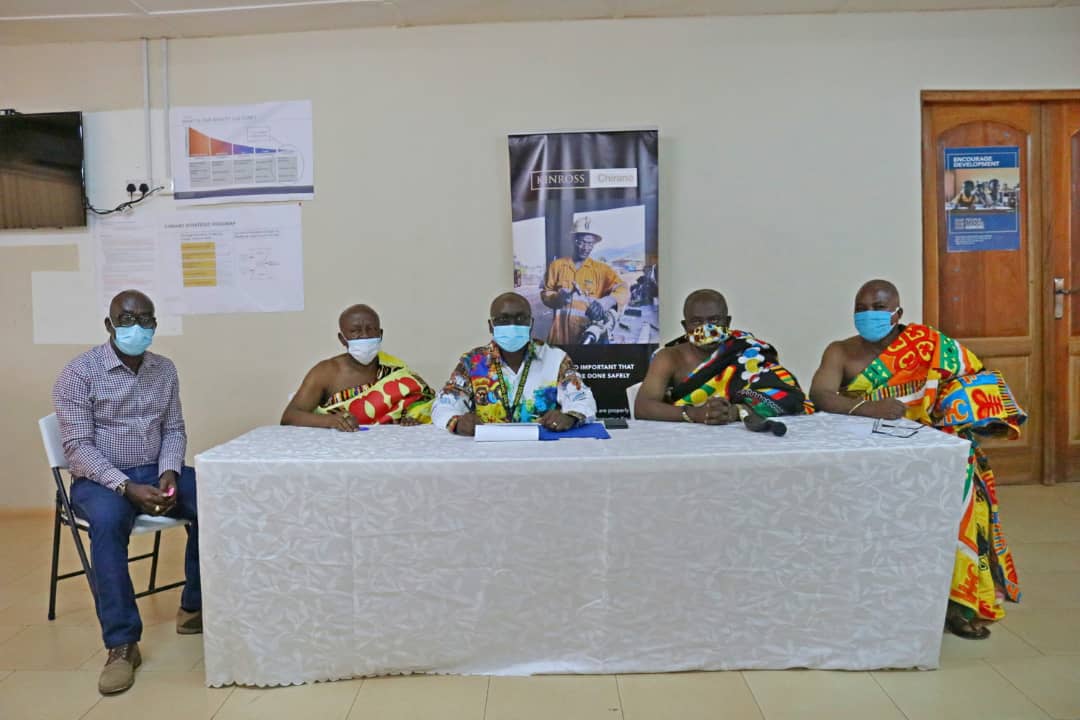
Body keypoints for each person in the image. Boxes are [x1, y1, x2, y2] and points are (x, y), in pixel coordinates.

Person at [809, 279, 1025, 639]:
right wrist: (869, 408)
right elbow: (820, 395)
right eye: (861, 309)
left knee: (962, 493)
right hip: (864, 455)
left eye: (878, 308)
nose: (869, 315)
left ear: (898, 313)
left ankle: (957, 605)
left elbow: (971, 380)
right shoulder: (841, 352)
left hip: (927, 452)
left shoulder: (930, 347)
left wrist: (954, 415)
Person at [51, 290, 200, 695]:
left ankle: (193, 606)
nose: (136, 328)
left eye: (145, 319)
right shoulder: (79, 373)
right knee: (109, 521)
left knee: (215, 498)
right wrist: (125, 487)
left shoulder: (164, 370)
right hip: (101, 479)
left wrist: (169, 471)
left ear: (154, 324)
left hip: (155, 470)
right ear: (110, 325)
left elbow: (174, 428)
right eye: (126, 319)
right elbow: (78, 448)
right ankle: (121, 644)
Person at [433, 291, 597, 435]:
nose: (512, 325)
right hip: (487, 451)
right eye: (503, 319)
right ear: (491, 326)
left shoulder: (555, 358)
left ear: (531, 323)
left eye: (520, 318)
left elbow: (583, 399)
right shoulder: (473, 362)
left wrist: (569, 416)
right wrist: (458, 421)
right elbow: (443, 405)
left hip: (541, 449)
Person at [634, 289, 807, 423]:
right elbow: (643, 407)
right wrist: (695, 414)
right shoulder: (669, 357)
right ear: (685, 326)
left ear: (728, 322)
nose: (706, 328)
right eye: (696, 321)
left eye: (714, 320)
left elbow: (790, 396)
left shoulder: (749, 353)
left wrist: (736, 411)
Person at [282, 304, 433, 428]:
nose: (365, 336)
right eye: (355, 331)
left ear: (380, 334)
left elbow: (420, 406)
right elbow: (290, 416)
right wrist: (330, 421)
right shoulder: (325, 372)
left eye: (370, 329)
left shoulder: (396, 371)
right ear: (342, 339)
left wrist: (412, 420)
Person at [540, 216, 630, 344]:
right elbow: (546, 293)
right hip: (560, 337)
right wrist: (557, 298)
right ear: (573, 240)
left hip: (588, 336)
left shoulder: (601, 270)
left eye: (590, 243)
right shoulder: (557, 266)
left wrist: (607, 301)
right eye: (581, 242)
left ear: (594, 244)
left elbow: (623, 288)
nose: (585, 247)